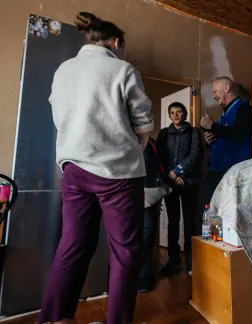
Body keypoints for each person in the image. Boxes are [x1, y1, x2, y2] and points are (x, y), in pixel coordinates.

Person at [39, 12, 153, 324]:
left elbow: (58, 114)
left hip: (74, 169)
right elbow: (143, 123)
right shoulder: (122, 69)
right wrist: (136, 147)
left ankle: (55, 319)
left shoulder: (64, 70)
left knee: (73, 244)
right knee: (125, 251)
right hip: (118, 172)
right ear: (116, 42)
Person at [157, 102, 203, 275]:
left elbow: (195, 155)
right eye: (172, 113)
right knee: (173, 221)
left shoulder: (194, 132)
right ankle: (173, 258)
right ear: (169, 116)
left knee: (190, 221)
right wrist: (171, 175)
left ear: (185, 115)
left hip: (189, 183)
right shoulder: (164, 134)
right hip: (171, 184)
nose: (176, 115)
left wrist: (178, 173)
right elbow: (160, 157)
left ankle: (191, 260)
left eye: (179, 112)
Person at [200, 76, 252, 206]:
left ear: (227, 88)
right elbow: (226, 138)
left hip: (235, 174)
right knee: (212, 216)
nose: (214, 96)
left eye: (215, 91)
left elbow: (239, 135)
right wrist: (210, 141)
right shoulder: (224, 116)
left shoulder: (244, 109)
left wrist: (212, 126)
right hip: (218, 173)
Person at [139, 137, 170, 292]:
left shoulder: (151, 140)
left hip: (151, 191)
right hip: (136, 191)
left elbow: (156, 165)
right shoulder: (132, 135)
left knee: (149, 233)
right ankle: (139, 278)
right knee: (144, 233)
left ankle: (144, 277)